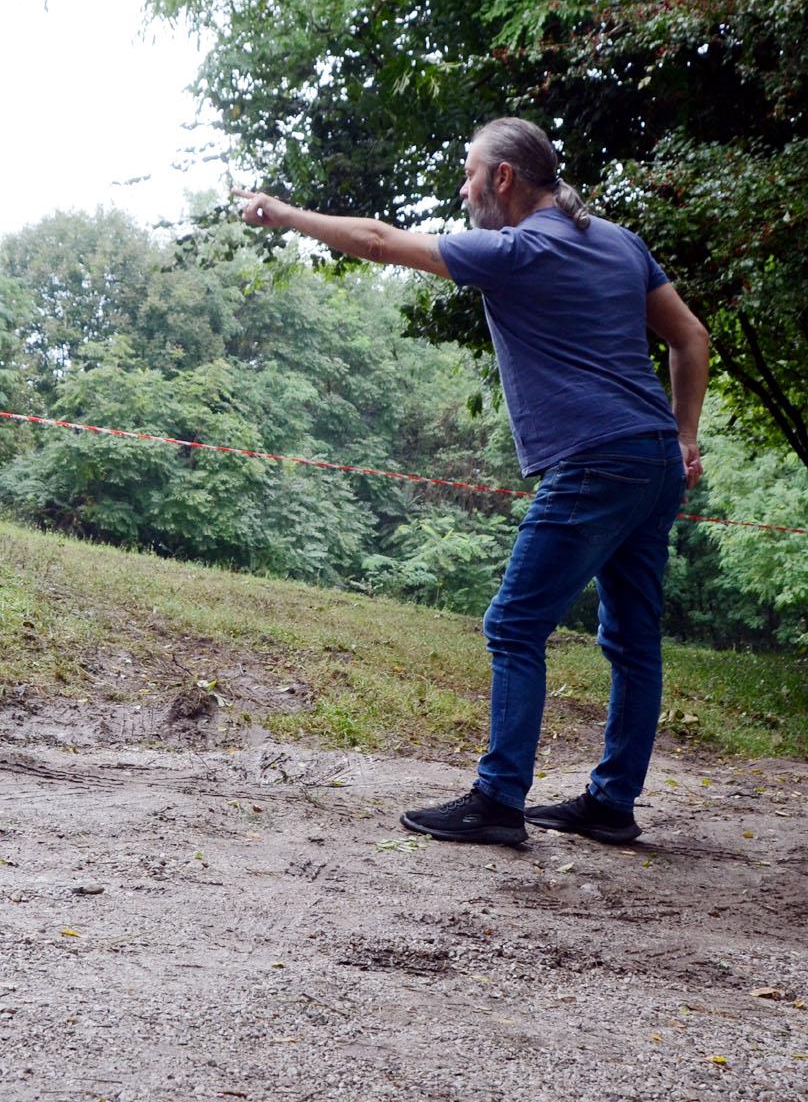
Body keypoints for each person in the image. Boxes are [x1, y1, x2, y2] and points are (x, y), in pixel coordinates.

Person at [233, 116, 709, 846]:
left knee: (515, 623)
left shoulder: (518, 249)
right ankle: (612, 803)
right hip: (651, 461)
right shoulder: (619, 242)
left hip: (594, 459)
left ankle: (497, 800)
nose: (463, 188)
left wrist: (284, 213)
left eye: (468, 173)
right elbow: (691, 336)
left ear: (504, 178)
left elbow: (379, 241)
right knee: (634, 642)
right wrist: (682, 437)